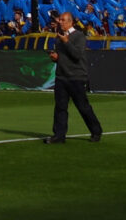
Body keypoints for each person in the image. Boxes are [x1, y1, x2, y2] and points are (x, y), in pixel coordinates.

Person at [42, 11, 101, 143]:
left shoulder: (78, 36)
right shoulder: (59, 37)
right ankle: (59, 135)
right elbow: (63, 57)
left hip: (76, 76)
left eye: (63, 20)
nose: (60, 22)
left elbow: (77, 55)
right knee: (60, 107)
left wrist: (66, 42)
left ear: (70, 22)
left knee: (83, 106)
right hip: (62, 76)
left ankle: (96, 131)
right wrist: (55, 58)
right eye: (60, 20)